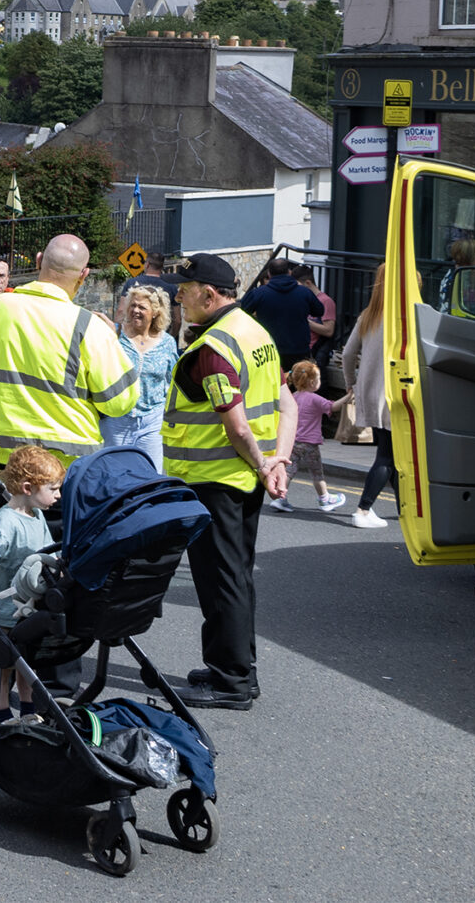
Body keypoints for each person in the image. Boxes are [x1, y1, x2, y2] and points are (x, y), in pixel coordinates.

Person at [160, 251, 293, 710]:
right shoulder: (255, 333)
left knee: (221, 581)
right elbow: (287, 405)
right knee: (235, 576)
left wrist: (264, 464)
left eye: (184, 292)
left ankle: (230, 681)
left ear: (209, 295)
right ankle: (237, 667)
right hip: (242, 480)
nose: (179, 299)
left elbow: (236, 426)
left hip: (214, 480)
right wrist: (278, 463)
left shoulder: (215, 348)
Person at [0, 233, 132, 545]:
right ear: (83, 276)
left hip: (3, 465)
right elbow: (120, 402)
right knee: (54, 574)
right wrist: (116, 345)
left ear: (39, 260)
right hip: (64, 474)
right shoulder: (90, 327)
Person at [0, 444, 67, 727]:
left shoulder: (37, 515)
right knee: (3, 661)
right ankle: (0, 711)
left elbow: (49, 551)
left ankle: (27, 708)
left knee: (26, 662)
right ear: (27, 487)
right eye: (53, 489)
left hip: (29, 602)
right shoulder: (7, 521)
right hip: (3, 600)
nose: (58, 495)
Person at [338, 264, 395, 529]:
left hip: (371, 392)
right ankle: (363, 509)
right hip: (397, 395)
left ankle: (405, 508)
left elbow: (348, 354)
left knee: (392, 453)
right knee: (388, 455)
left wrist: (351, 384)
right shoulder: (408, 316)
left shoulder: (369, 315)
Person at [104, 282, 180, 461]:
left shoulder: (167, 343)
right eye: (133, 305)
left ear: (155, 312)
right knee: (115, 473)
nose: (135, 310)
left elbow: (172, 382)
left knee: (150, 473)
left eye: (142, 307)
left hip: (152, 420)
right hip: (117, 419)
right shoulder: (115, 334)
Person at [272, 360, 348, 515]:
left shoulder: (293, 396)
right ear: (313, 382)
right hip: (310, 444)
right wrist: (349, 397)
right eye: (318, 379)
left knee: (289, 472)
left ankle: (279, 497)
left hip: (294, 442)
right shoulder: (314, 399)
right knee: (317, 473)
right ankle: (324, 498)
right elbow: (332, 407)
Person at [238, 256, 321, 370]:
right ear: (289, 272)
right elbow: (319, 311)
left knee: (274, 385)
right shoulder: (305, 292)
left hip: (269, 351)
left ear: (269, 274)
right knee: (300, 385)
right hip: (300, 350)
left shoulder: (258, 294)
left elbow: (240, 312)